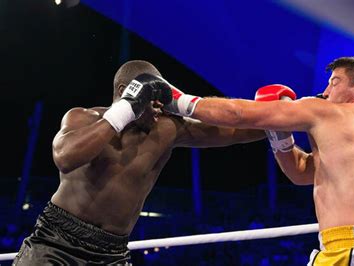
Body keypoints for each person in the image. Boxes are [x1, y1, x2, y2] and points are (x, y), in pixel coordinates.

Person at [160, 56, 354, 265]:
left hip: (349, 251)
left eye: (335, 82)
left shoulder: (327, 111)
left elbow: (237, 114)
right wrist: (279, 133)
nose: (325, 91)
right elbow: (302, 172)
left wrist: (174, 99)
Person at [13, 60, 265, 265]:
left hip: (112, 253)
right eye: (152, 100)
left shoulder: (166, 129)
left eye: (161, 101)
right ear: (125, 92)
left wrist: (282, 116)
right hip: (57, 240)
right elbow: (66, 158)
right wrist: (123, 112)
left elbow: (237, 132)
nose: (159, 109)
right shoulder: (84, 118)